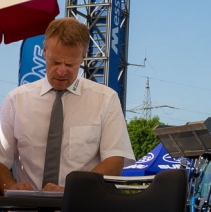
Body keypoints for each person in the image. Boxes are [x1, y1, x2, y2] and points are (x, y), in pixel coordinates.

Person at [0, 17, 135, 194]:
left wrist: (73, 190)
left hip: (81, 204)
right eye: (55, 62)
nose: (62, 71)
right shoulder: (16, 100)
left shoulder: (105, 99)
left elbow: (115, 160)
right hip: (27, 206)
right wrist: (9, 185)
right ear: (45, 52)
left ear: (83, 56)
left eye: (70, 64)